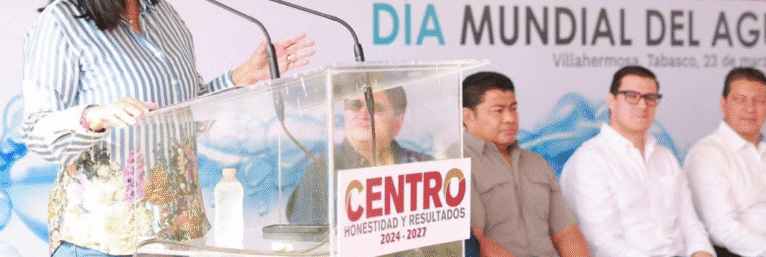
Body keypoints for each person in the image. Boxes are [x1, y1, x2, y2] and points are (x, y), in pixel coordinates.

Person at [21, 0, 315, 257]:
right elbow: (36, 131)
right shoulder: (62, 24)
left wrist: (243, 75)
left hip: (179, 236)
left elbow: (186, 108)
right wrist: (95, 117)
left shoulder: (164, 15)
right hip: (103, 242)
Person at [559, 65, 714, 257]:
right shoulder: (589, 161)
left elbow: (690, 225)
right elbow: (602, 244)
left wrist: (702, 252)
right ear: (611, 101)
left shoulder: (665, 157)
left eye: (650, 98)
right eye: (631, 96)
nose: (642, 105)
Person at [462, 71, 590, 257]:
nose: (510, 118)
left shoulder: (536, 163)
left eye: (513, 109)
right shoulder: (458, 165)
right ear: (468, 116)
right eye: (498, 111)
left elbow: (566, 232)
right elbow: (474, 242)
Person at [286, 86, 432, 224]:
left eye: (374, 107)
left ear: (397, 122)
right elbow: (310, 238)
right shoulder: (322, 172)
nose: (363, 114)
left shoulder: (424, 168)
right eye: (355, 106)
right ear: (345, 116)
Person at [684, 67, 766, 257]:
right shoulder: (708, 153)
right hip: (742, 252)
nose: (750, 108)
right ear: (724, 104)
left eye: (758, 101)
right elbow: (722, 228)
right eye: (740, 99)